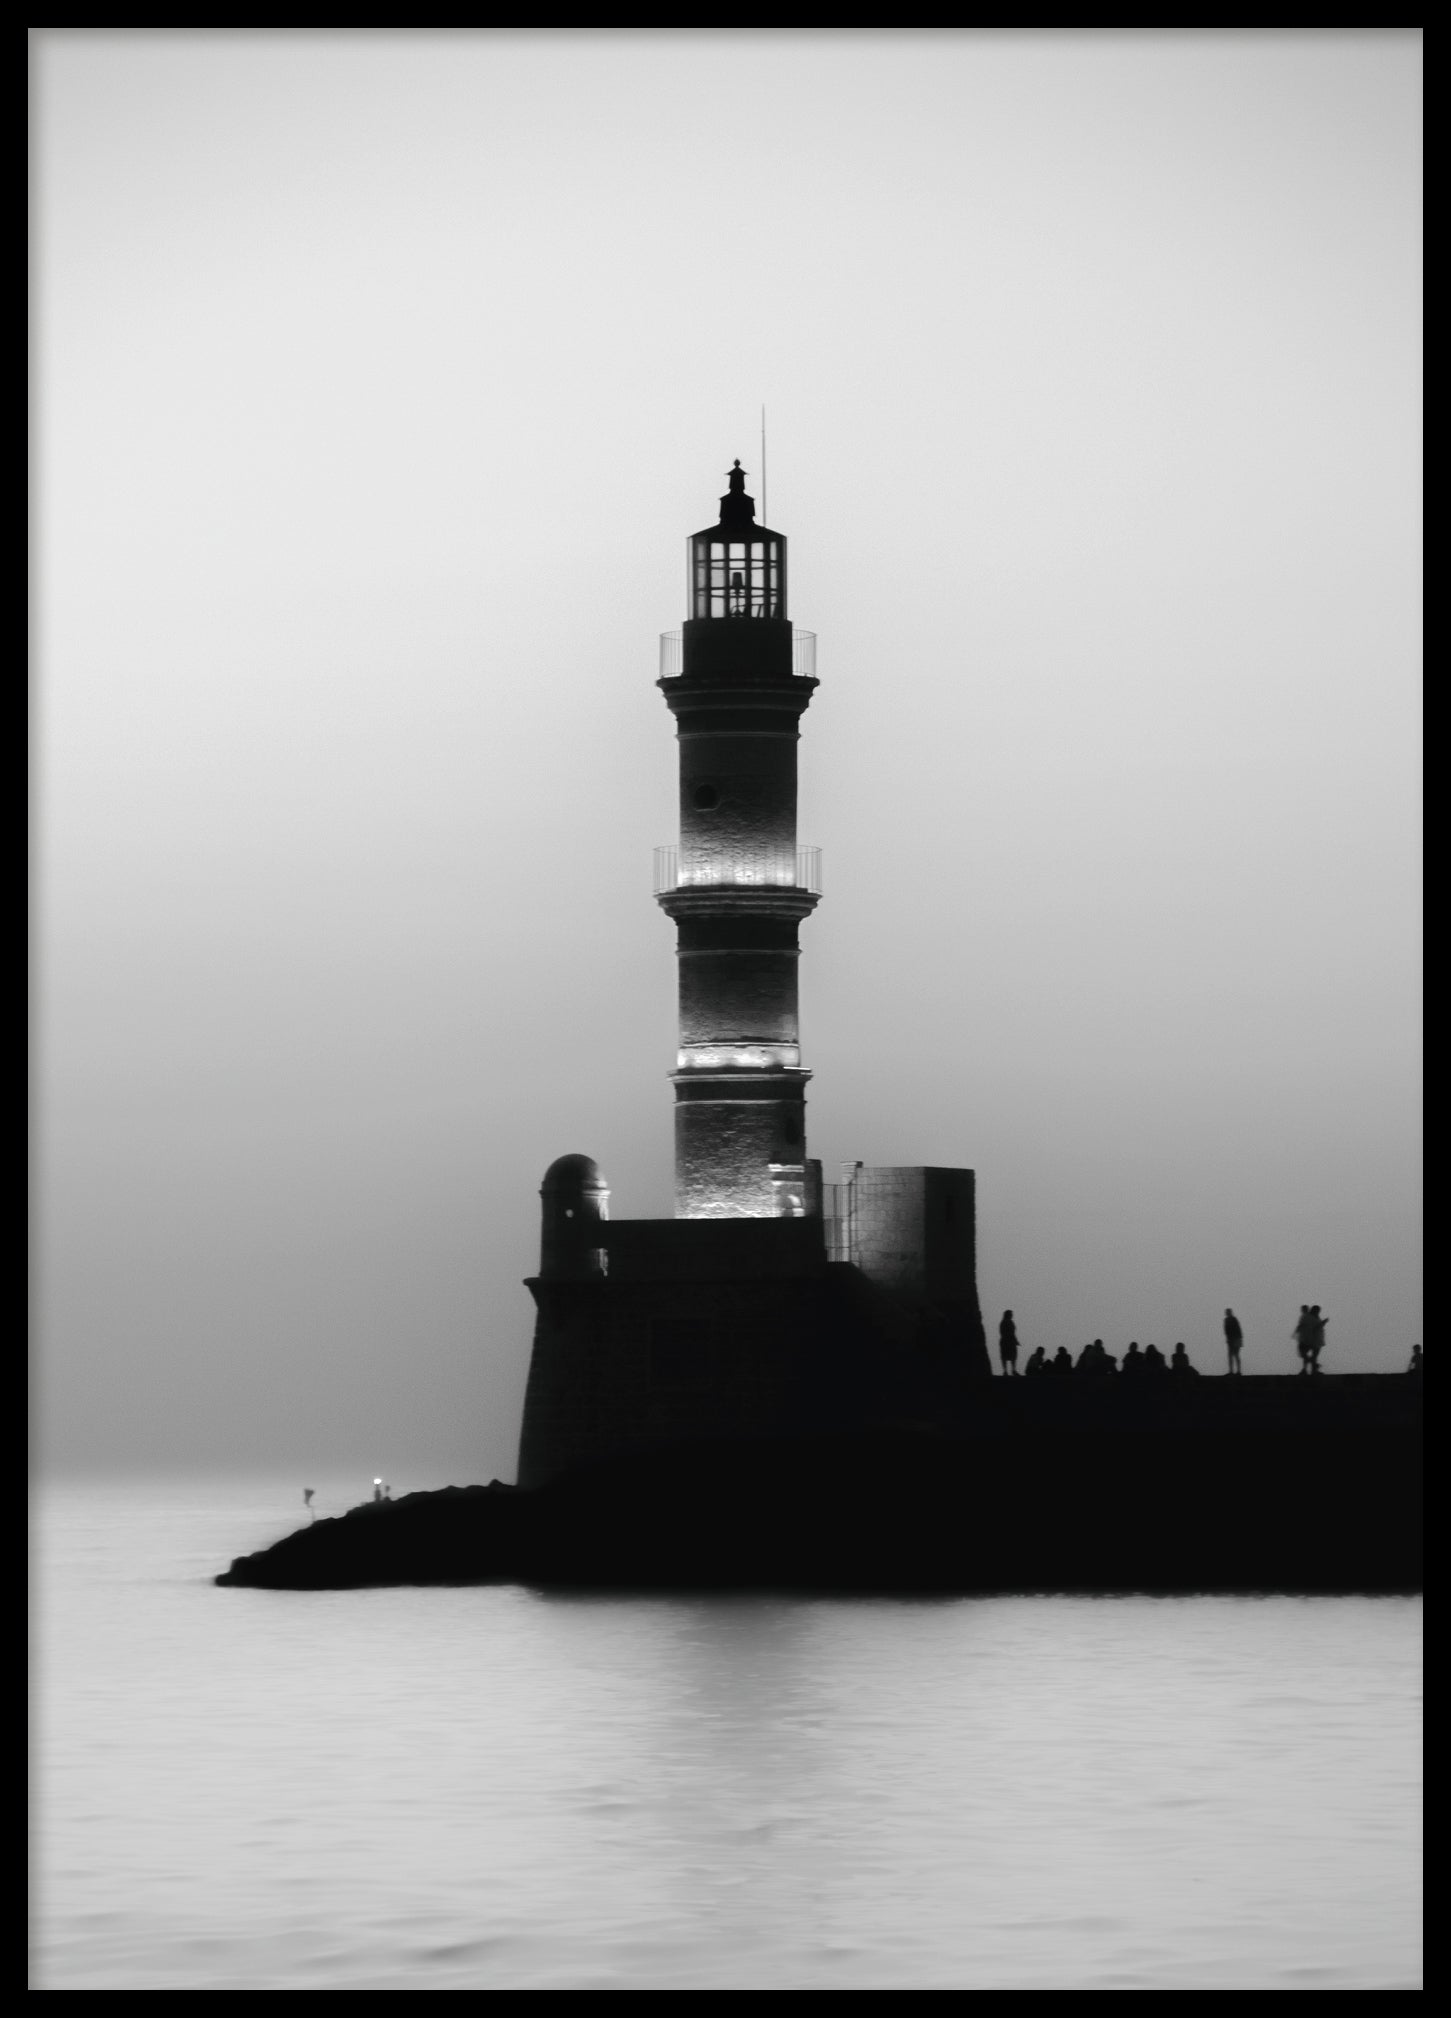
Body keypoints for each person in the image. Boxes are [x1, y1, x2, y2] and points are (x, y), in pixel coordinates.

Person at [998, 1310, 1020, 1377]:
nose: (1012, 1315)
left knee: (1009, 1356)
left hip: (1007, 1341)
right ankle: (1009, 1371)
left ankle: (1009, 1371)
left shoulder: (1004, 1322)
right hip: (1008, 1341)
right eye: (1011, 1314)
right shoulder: (1006, 1322)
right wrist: (1015, 1340)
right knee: (1009, 1356)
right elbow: (1010, 1333)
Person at [1293, 1305, 1314, 1374]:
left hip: (1303, 1339)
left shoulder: (1303, 1316)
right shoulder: (1311, 1317)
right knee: (1304, 1354)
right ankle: (1304, 1369)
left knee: (1303, 1354)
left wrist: (1295, 1333)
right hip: (1310, 1338)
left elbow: (1300, 1325)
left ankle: (1312, 1363)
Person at [1306, 1306, 1327, 1375]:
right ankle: (1314, 1368)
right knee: (1315, 1355)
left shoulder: (1315, 1317)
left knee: (1315, 1355)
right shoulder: (1312, 1318)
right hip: (1315, 1339)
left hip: (1317, 1339)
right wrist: (1323, 1323)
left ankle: (1314, 1369)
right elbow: (1315, 1327)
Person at [1223, 1307, 1243, 1376]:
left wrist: (1238, 1340)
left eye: (1227, 1312)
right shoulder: (1226, 1320)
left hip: (1236, 1339)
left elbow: (1237, 1330)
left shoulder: (1233, 1319)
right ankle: (1231, 1371)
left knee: (1235, 1355)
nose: (1226, 1313)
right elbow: (1226, 1331)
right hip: (1231, 1339)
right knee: (1231, 1355)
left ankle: (1238, 1371)